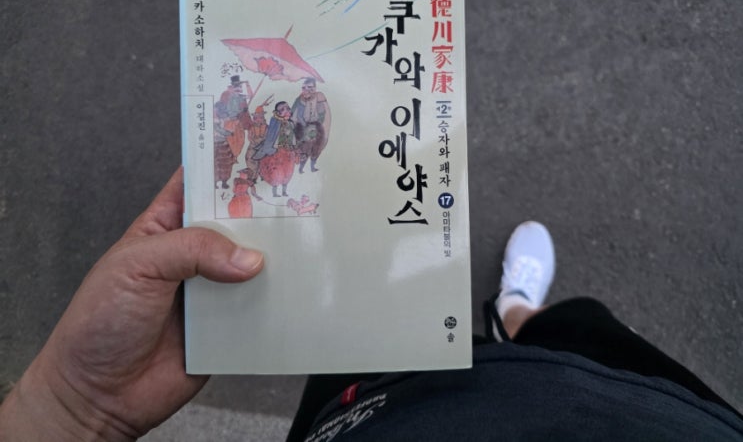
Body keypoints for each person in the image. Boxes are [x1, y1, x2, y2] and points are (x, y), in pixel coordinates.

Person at [0, 173, 741, 441]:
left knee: (359, 346)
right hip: (634, 415)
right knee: (582, 335)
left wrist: (75, 408)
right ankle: (515, 316)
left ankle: (508, 321)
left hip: (378, 421)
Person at [291, 78, 330, 173]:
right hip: (302, 126)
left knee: (317, 147)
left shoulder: (319, 97)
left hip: (316, 126)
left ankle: (312, 165)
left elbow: (322, 114)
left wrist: (317, 124)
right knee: (305, 148)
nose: (307, 90)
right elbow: (297, 116)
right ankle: (301, 168)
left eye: (310, 87)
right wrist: (305, 126)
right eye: (304, 88)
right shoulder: (300, 99)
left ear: (315, 88)